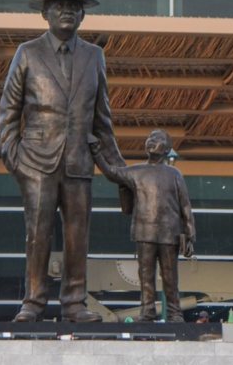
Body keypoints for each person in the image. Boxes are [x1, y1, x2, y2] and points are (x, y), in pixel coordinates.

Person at [0, 0, 125, 323]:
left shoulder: (94, 56)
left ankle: (74, 302)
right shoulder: (27, 53)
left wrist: (120, 171)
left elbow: (103, 119)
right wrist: (15, 159)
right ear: (46, 13)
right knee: (37, 235)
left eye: (73, 6)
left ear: (82, 14)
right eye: (59, 6)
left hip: (79, 161)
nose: (67, 12)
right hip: (36, 161)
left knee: (77, 237)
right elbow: (8, 112)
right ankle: (34, 302)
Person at [93, 129, 195, 322]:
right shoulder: (137, 171)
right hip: (144, 232)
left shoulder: (174, 174)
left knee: (170, 276)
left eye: (156, 140)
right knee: (146, 276)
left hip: (169, 233)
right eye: (149, 138)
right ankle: (147, 312)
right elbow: (112, 173)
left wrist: (189, 233)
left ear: (166, 149)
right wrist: (97, 153)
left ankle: (174, 313)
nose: (150, 141)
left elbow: (185, 206)